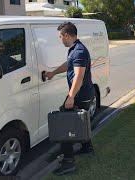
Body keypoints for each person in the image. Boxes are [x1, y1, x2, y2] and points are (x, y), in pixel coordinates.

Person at [45, 22, 95, 175]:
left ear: (67, 35)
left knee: (65, 125)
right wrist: (53, 73)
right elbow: (69, 65)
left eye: (60, 36)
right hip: (83, 93)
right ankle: (87, 148)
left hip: (80, 94)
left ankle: (68, 162)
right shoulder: (75, 49)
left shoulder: (79, 51)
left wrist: (71, 97)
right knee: (80, 122)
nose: (60, 40)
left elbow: (79, 76)